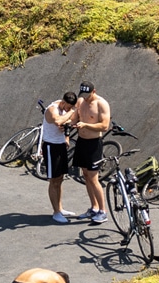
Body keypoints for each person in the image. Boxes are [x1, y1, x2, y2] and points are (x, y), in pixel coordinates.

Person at [71, 80, 110, 224]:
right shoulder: (81, 101)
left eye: (88, 94)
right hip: (82, 141)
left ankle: (102, 211)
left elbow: (104, 126)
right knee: (86, 175)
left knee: (94, 178)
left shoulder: (101, 104)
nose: (85, 97)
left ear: (94, 91)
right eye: (83, 94)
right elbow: (75, 116)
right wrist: (70, 123)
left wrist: (86, 124)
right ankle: (93, 208)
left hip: (94, 144)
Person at [42, 92, 79, 223]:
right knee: (53, 180)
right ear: (63, 102)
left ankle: (60, 208)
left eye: (71, 108)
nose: (68, 110)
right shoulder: (52, 108)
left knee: (60, 178)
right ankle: (56, 212)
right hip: (50, 146)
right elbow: (58, 120)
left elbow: (66, 123)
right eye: (67, 107)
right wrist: (72, 111)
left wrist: (67, 138)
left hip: (61, 145)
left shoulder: (66, 109)